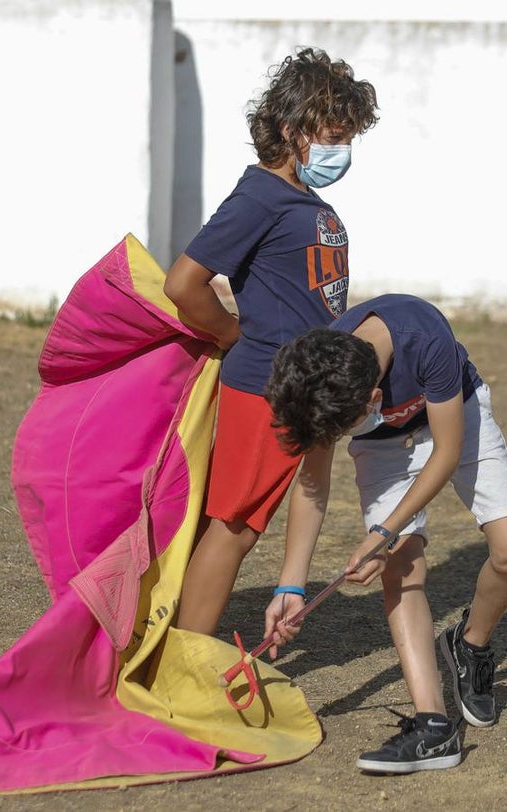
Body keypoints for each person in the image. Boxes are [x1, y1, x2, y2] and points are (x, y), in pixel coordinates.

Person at [262, 293, 507, 774]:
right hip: (383, 444)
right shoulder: (321, 375)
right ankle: (433, 727)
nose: (337, 441)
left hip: (456, 414)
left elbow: (446, 452)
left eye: (342, 432)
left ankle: (469, 644)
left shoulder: (425, 337)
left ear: (373, 400)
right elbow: (313, 484)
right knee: (401, 566)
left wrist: (383, 531)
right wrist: (290, 586)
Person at [164, 48, 378, 635]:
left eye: (349, 138)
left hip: (310, 387)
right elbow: (183, 283)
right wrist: (231, 333)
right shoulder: (258, 196)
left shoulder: (301, 200)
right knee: (234, 526)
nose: (343, 151)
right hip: (267, 385)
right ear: (290, 128)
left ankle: (186, 650)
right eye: (333, 137)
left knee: (249, 520)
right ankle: (185, 663)